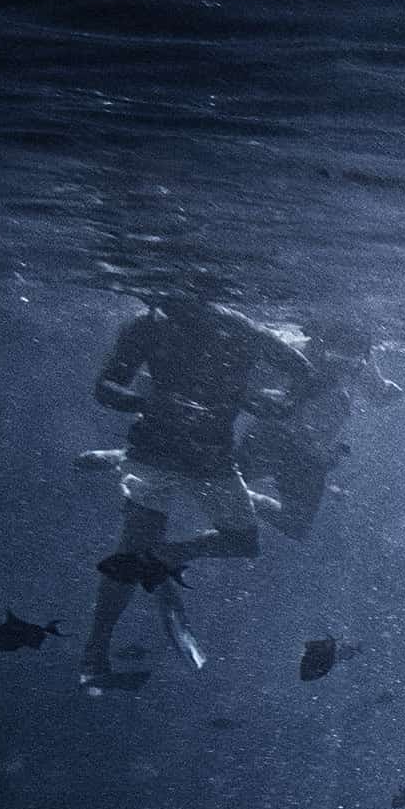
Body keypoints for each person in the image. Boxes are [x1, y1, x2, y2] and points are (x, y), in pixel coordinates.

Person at [76, 289, 312, 685]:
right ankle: (96, 652)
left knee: (240, 542)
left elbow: (301, 369)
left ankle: (158, 559)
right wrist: (150, 403)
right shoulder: (151, 325)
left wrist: (274, 403)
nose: (160, 301)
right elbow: (106, 388)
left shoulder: (230, 327)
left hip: (201, 455)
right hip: (164, 453)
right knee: (140, 549)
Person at [236, 316, 400, 539]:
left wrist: (389, 392)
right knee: (216, 483)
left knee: (297, 525)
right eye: (338, 358)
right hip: (272, 440)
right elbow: (244, 387)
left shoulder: (362, 361)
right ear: (321, 344)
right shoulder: (291, 353)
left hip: (311, 454)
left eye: (354, 362)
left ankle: (241, 500)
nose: (344, 368)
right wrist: (275, 401)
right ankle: (235, 504)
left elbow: (378, 393)